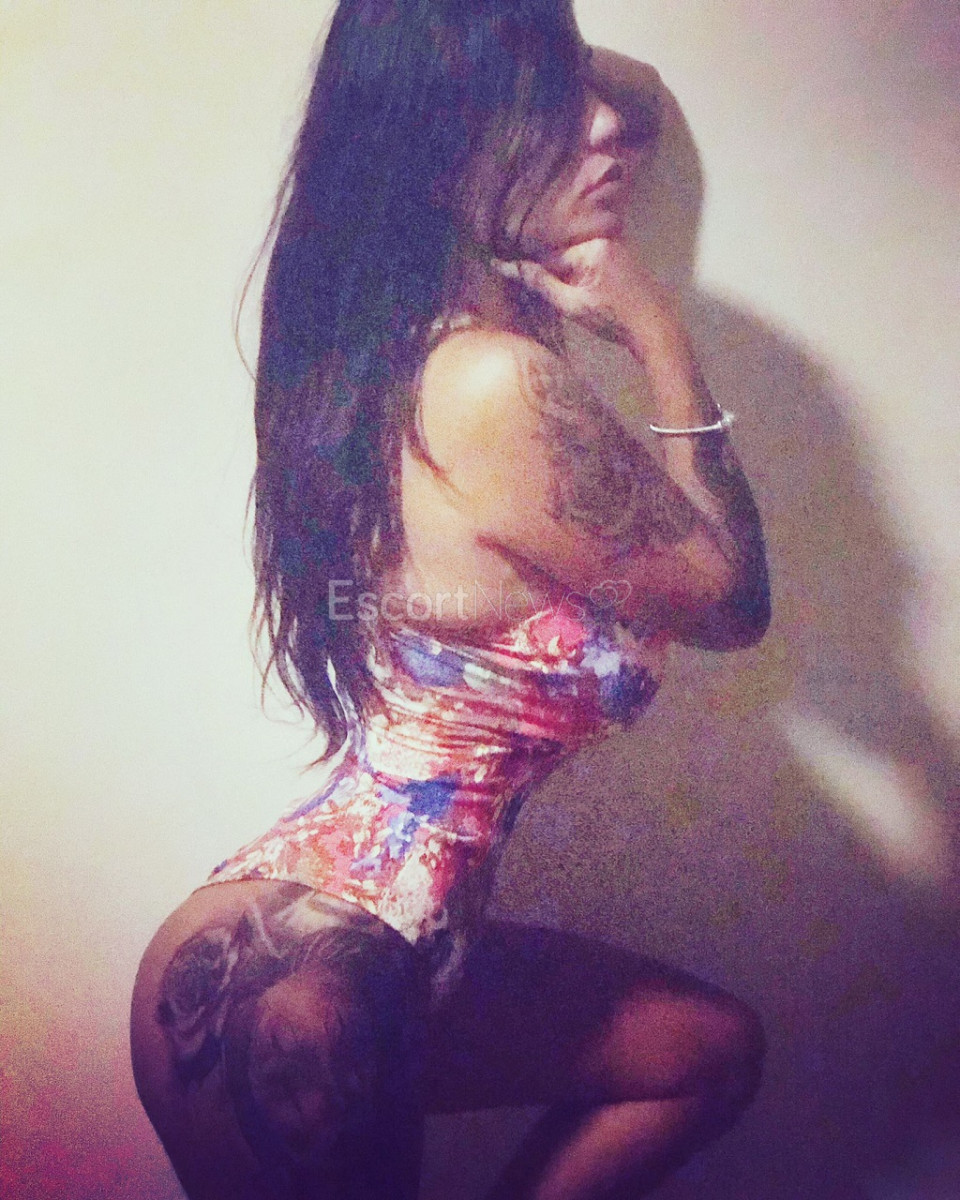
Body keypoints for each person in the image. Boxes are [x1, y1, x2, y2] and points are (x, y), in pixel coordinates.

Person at [130, 2, 771, 1197]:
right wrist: (659, 334)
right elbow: (731, 601)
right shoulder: (489, 383)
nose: (606, 127)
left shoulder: (397, 355)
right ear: (444, 134)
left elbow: (625, 94)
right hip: (307, 992)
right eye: (552, 94)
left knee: (708, 1052)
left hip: (380, 948)